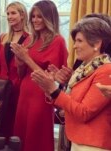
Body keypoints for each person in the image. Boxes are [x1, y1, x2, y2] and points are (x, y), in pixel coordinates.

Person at [31, 17, 111, 151]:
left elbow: (83, 112)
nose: (74, 46)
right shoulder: (83, 69)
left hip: (93, 144)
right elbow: (69, 102)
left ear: (97, 43)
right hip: (78, 140)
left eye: (79, 41)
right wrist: (49, 88)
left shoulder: (106, 71)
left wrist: (54, 90)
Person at [10, 1, 68, 151]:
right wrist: (20, 61)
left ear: (49, 18)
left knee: (36, 135)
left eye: (39, 17)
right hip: (25, 92)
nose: (35, 20)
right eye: (33, 16)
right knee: (21, 134)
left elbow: (51, 78)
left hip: (40, 95)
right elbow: (21, 74)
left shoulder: (58, 41)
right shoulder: (30, 39)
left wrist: (27, 58)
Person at [0, 1, 29, 138]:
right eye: (7, 14)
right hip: (2, 90)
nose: (9, 16)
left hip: (19, 90)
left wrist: (15, 84)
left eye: (13, 13)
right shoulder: (3, 37)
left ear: (22, 15)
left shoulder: (30, 38)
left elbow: (27, 67)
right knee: (1, 128)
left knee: (16, 129)